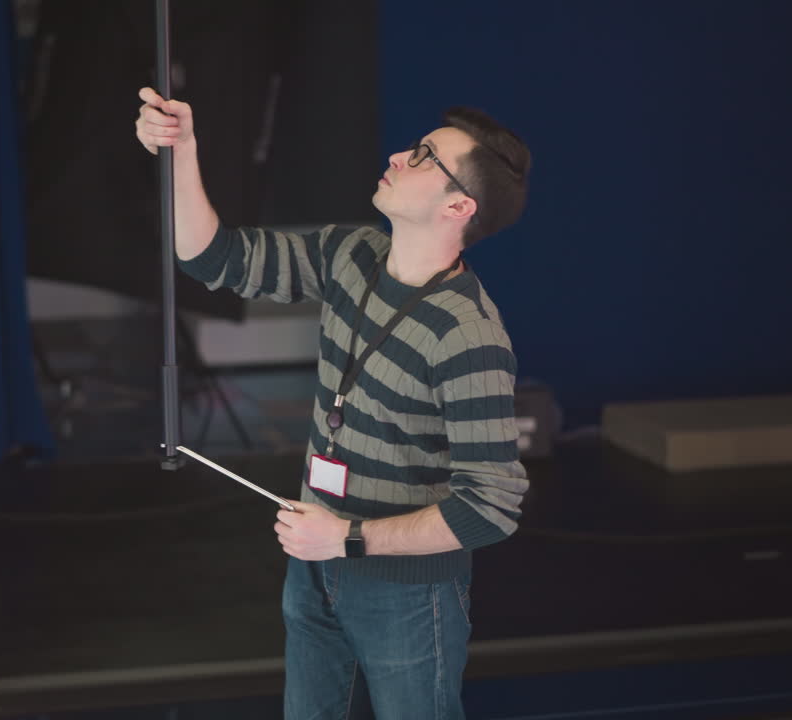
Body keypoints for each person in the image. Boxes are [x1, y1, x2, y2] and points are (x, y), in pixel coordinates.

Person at [135, 86, 532, 719]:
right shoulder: (353, 254)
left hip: (404, 594)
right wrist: (182, 150)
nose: (401, 155)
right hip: (314, 566)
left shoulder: (468, 334)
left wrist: (347, 540)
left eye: (426, 156)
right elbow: (213, 257)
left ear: (459, 205)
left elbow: (492, 508)